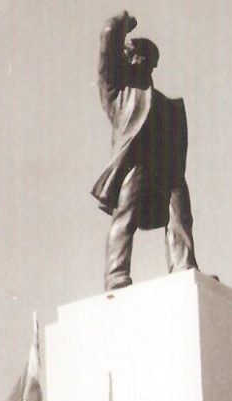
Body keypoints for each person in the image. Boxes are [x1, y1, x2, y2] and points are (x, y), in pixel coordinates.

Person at [92, 10, 199, 290]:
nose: (140, 60)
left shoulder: (165, 103)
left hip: (166, 167)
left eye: (146, 58)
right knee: (125, 216)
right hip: (134, 165)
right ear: (126, 59)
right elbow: (106, 39)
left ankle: (183, 266)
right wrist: (122, 22)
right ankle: (116, 277)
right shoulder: (117, 94)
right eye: (134, 55)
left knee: (181, 214)